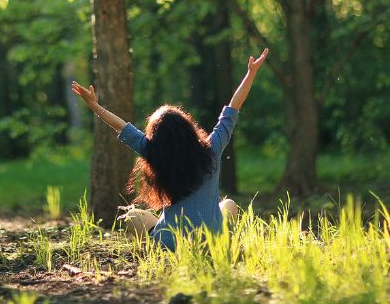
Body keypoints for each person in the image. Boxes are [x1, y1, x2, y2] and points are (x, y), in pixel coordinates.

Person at [71, 48, 269, 250]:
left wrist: (95, 105)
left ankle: (152, 251)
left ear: (157, 138)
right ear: (188, 129)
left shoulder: (154, 153)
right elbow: (232, 108)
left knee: (132, 215)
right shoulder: (212, 149)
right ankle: (224, 244)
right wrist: (250, 73)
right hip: (212, 243)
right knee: (229, 205)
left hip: (170, 244)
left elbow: (121, 126)